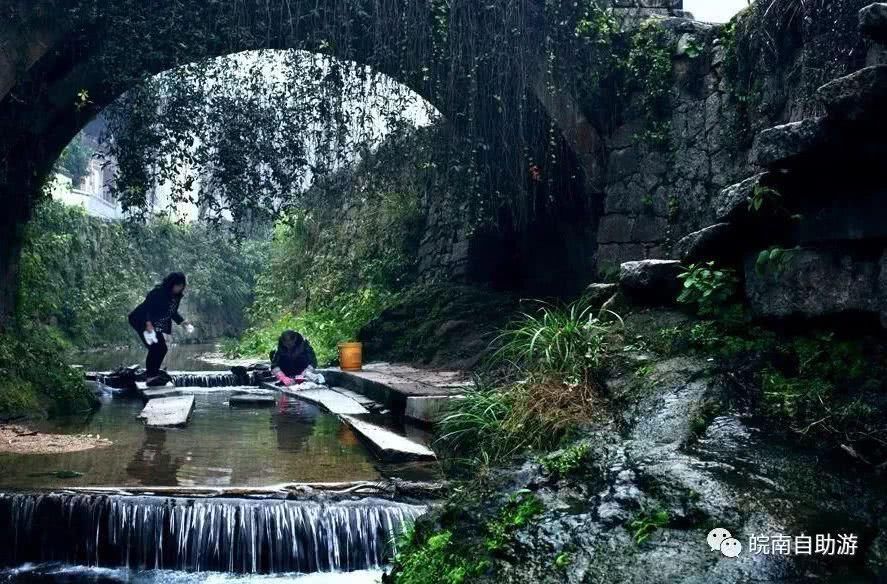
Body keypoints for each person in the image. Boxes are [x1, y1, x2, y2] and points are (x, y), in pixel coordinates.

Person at [128, 272, 193, 385]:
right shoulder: (158, 292)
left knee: (162, 348)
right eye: (178, 286)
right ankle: (151, 377)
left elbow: (172, 312)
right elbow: (147, 308)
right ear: (171, 284)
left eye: (182, 286)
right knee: (155, 348)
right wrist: (148, 324)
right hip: (141, 320)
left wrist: (182, 322)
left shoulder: (176, 297)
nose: (180, 288)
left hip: (153, 323)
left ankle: (153, 375)